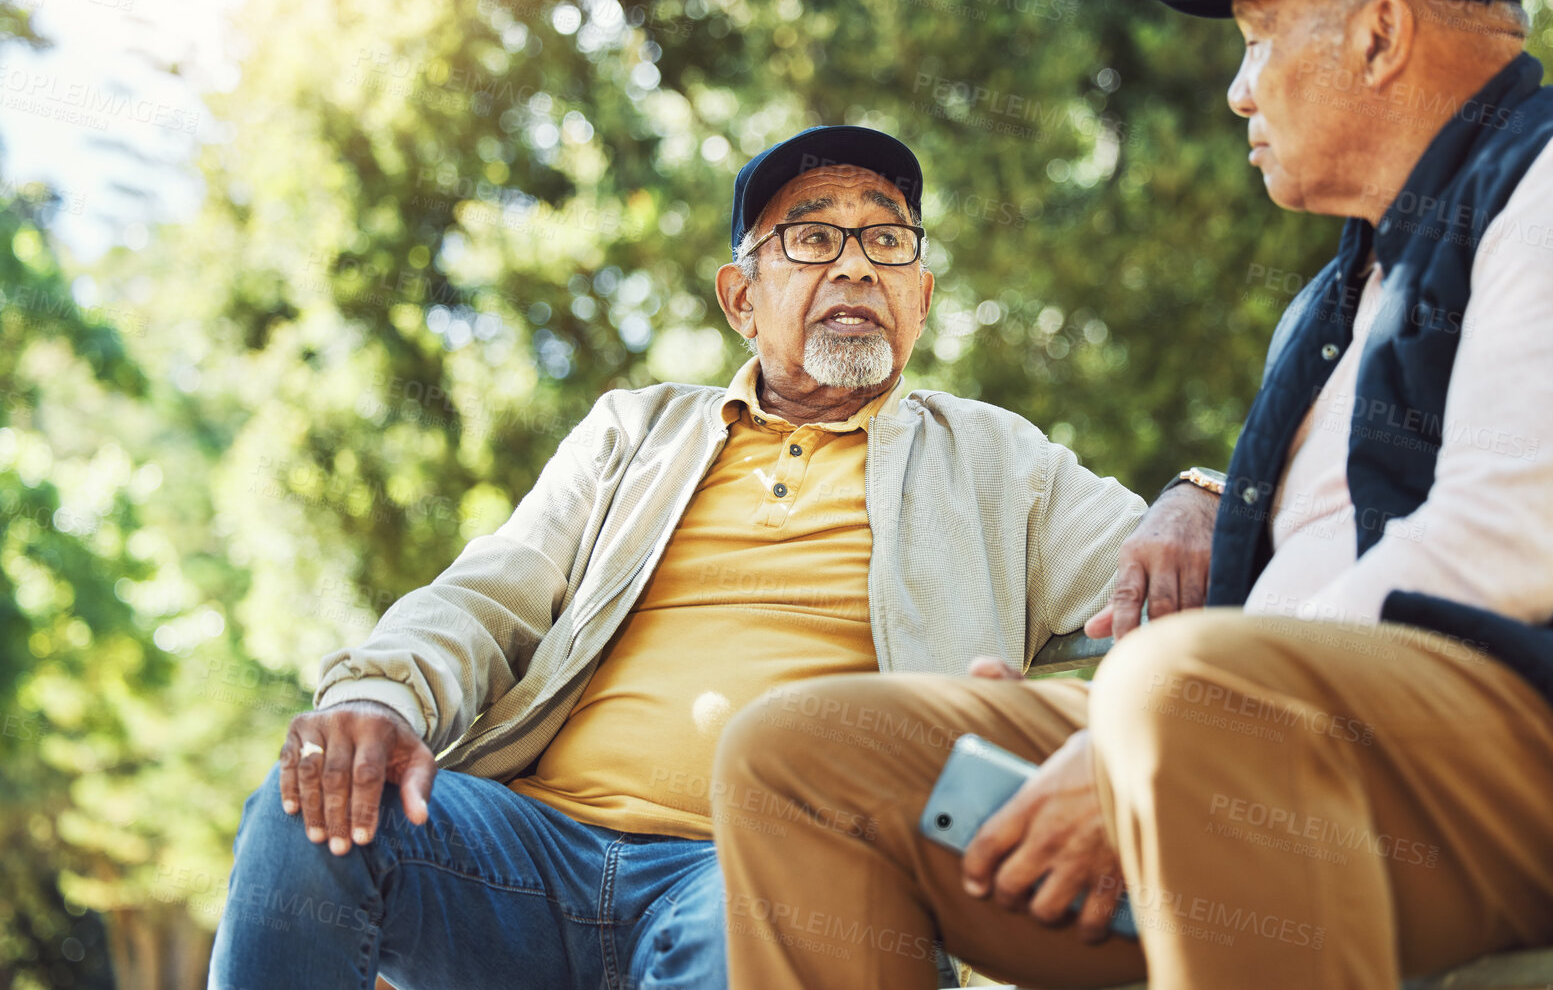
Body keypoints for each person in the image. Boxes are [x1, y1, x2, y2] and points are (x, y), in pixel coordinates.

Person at [711, 0, 1553, 987]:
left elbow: (1497, 555)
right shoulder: (1333, 305)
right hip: (1265, 758)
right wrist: (1093, 716)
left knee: (1185, 695)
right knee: (806, 758)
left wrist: (1145, 726)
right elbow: (1285, 607)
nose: (1237, 90)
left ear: (1380, 36)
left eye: (1256, 41)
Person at [205, 125, 1150, 989]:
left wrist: (1200, 494)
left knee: (763, 927)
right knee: (315, 806)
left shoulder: (1000, 460)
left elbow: (1195, 597)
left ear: (921, 295)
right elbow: (487, 596)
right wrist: (374, 695)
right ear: (741, 297)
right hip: (532, 849)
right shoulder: (636, 429)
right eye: (813, 238)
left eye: (887, 241)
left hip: (766, 871)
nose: (857, 268)